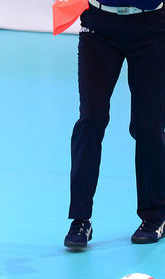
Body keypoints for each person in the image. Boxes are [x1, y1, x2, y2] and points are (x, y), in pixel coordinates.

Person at [64, 0, 165, 248]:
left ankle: (155, 216)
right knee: (90, 119)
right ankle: (80, 219)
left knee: (147, 125)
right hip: (99, 25)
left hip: (152, 27)